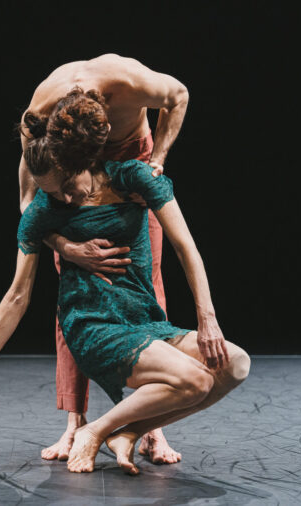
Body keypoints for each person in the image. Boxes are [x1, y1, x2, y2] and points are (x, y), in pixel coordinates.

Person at [0, 97, 250, 475]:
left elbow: (185, 247)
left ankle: (128, 434)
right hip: (93, 325)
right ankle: (94, 431)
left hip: (143, 320)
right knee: (195, 380)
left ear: (82, 160)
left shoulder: (133, 179)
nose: (65, 199)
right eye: (53, 193)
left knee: (235, 365)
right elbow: (17, 295)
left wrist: (207, 318)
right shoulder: (44, 212)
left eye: (67, 185)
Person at [17, 54, 190, 463]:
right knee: (74, 296)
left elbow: (179, 95)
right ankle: (74, 422)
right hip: (69, 177)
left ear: (105, 128)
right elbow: (27, 204)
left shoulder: (130, 83)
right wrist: (65, 246)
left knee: (147, 285)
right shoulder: (39, 114)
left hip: (133, 163)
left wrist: (157, 161)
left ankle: (151, 427)